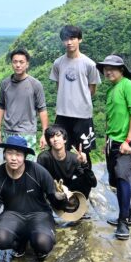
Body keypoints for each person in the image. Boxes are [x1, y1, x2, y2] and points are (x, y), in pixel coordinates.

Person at [0, 135, 67, 262]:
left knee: (43, 243)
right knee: (0, 239)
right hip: (12, 214)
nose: (14, 158)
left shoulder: (38, 172)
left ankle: (37, 245)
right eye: (10, 153)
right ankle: (19, 244)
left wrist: (62, 197)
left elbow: (54, 201)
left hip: (39, 214)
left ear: (25, 156)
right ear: (4, 154)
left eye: (19, 154)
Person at [96, 54, 131, 241]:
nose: (108, 71)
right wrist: (105, 141)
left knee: (123, 178)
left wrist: (129, 141)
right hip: (111, 143)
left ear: (121, 70)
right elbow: (110, 119)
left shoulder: (129, 86)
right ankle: (129, 214)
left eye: (112, 68)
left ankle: (123, 222)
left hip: (125, 144)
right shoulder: (111, 90)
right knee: (114, 181)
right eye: (106, 68)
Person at [49, 25, 100, 164]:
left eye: (73, 38)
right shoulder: (58, 63)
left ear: (80, 40)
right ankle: (62, 182)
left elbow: (92, 90)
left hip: (82, 115)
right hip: (62, 114)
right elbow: (58, 87)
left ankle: (85, 182)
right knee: (59, 150)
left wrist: (79, 101)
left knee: (83, 152)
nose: (69, 42)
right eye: (66, 39)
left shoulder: (89, 64)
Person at [37, 125, 97, 220]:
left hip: (68, 190)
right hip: (51, 191)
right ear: (49, 142)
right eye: (51, 137)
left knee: (85, 179)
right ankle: (45, 212)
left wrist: (85, 164)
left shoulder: (73, 158)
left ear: (64, 139)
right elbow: (39, 181)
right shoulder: (44, 157)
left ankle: (78, 207)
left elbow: (93, 183)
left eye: (58, 135)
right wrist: (57, 188)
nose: (55, 139)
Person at [0, 47, 48, 150]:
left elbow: (42, 109)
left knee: (28, 163)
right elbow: (1, 106)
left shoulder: (35, 84)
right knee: (10, 163)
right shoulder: (5, 83)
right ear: (11, 63)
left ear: (27, 64)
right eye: (15, 62)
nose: (18, 65)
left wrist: (44, 134)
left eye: (21, 62)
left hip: (27, 132)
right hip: (8, 131)